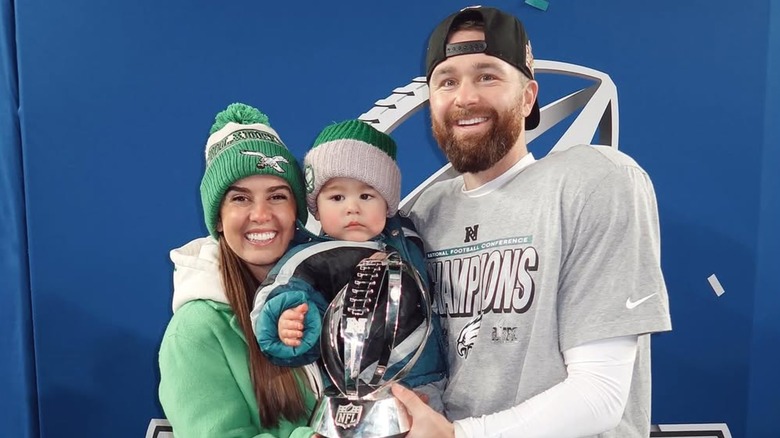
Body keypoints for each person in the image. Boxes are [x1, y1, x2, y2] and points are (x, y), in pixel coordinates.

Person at [391, 6, 672, 438]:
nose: (464, 97)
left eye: (487, 75)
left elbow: (599, 396)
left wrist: (458, 436)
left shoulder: (594, 181)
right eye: (447, 81)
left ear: (528, 96)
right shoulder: (423, 214)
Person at [250, 119, 448, 410]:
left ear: (388, 203)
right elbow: (280, 295)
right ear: (316, 205)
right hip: (355, 397)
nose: (352, 207)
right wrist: (286, 322)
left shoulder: (409, 236)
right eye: (337, 196)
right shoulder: (310, 258)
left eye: (367, 195)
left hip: (428, 385)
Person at [158, 103, 322, 438]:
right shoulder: (195, 331)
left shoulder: (326, 293)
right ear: (217, 218)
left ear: (296, 213)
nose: (261, 215)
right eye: (241, 199)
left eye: (276, 196)